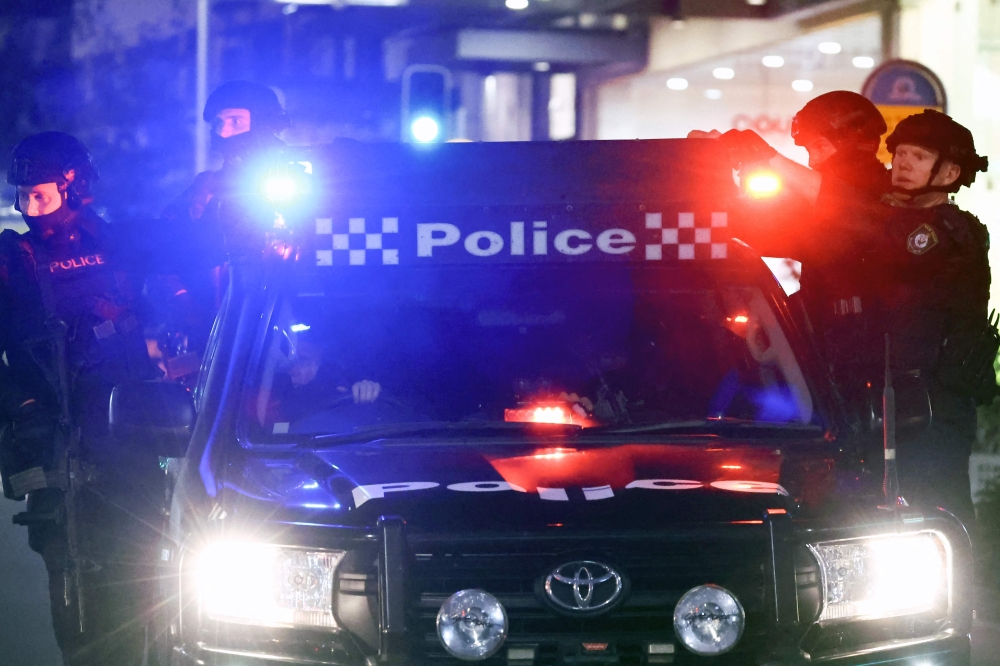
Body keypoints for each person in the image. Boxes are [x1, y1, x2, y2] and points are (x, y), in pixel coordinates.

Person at [0, 132, 163, 665]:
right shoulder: (11, 259)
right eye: (22, 197)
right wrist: (22, 410)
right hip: (55, 444)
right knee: (74, 608)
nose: (29, 209)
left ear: (72, 188)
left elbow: (172, 304)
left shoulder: (122, 246)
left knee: (140, 580)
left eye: (40, 196)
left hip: (127, 445)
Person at [150, 81, 290, 370]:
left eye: (236, 122)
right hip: (216, 344)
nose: (224, 132)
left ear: (263, 123)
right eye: (219, 124)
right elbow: (162, 250)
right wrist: (184, 305)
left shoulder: (301, 180)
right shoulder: (204, 191)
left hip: (284, 344)